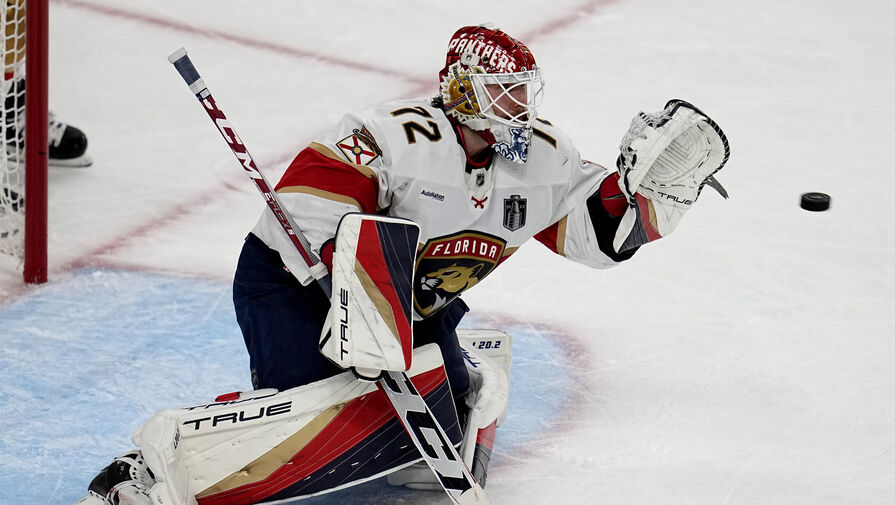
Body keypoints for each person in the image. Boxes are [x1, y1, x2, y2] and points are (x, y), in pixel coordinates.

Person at [75, 23, 729, 505]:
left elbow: (591, 234)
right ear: (464, 90)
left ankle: (421, 389)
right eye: (503, 94)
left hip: (409, 301)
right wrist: (358, 308)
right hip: (292, 284)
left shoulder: (544, 156)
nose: (520, 108)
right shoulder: (390, 135)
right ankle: (150, 467)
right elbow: (310, 208)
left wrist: (638, 199)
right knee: (307, 411)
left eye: (523, 92)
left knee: (442, 402)